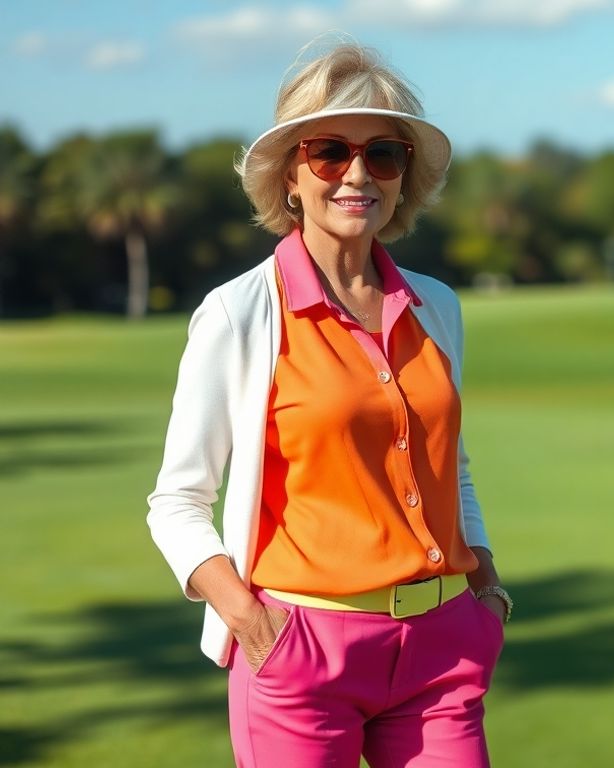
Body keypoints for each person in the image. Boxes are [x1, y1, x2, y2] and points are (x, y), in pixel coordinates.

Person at [146, 39, 510, 767]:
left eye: (384, 155)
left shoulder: (436, 306)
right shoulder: (239, 314)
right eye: (330, 152)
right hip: (301, 655)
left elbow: (451, 468)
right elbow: (177, 503)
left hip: (442, 649)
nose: (358, 174)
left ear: (404, 177)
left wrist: (488, 591)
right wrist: (253, 625)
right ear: (290, 173)